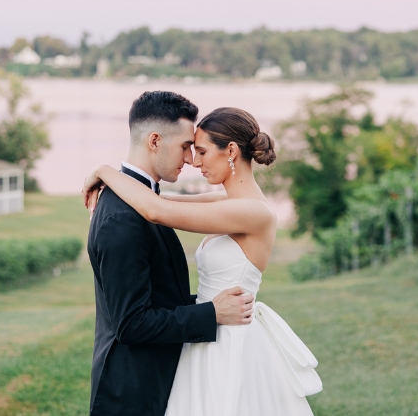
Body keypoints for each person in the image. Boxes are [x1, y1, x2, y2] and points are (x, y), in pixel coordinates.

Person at [83, 105, 322, 416]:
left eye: (202, 151)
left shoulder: (255, 213)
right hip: (207, 329)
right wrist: (117, 181)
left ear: (231, 151)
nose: (194, 162)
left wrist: (104, 171)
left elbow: (157, 211)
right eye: (190, 149)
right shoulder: (231, 202)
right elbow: (159, 200)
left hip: (229, 337)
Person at [84, 92, 256, 416]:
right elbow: (132, 324)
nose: (191, 159)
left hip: (154, 384)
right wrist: (211, 313)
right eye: (185, 146)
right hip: (131, 394)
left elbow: (158, 297)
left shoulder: (146, 203)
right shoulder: (123, 217)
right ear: (154, 141)